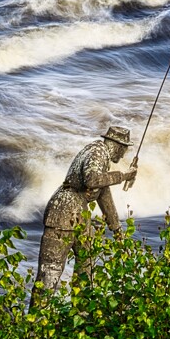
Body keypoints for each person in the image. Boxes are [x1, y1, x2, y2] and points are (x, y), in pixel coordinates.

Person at [31, 126, 139, 307]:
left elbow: (103, 195)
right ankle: (34, 326)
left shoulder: (100, 158)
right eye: (124, 149)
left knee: (86, 266)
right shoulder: (97, 151)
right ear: (117, 145)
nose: (122, 155)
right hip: (63, 213)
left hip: (79, 216)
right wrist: (124, 175)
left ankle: (80, 317)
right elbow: (92, 179)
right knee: (50, 273)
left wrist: (116, 228)